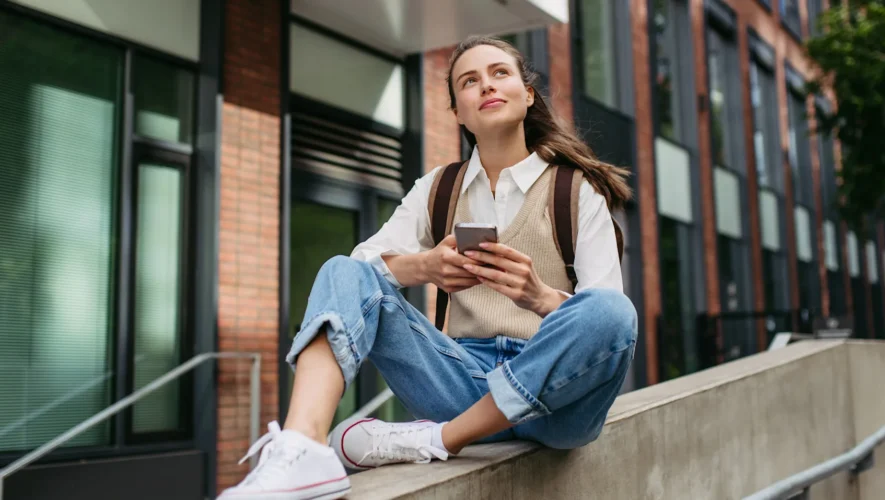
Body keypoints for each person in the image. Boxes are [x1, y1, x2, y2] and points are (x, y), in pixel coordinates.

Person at [219, 35, 637, 500]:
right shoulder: (438, 188)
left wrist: (538, 296)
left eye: (500, 73)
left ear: (528, 93)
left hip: (558, 402)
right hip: (461, 381)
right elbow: (363, 268)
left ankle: (437, 440)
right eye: (469, 81)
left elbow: (610, 327)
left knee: (613, 311)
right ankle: (303, 447)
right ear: (457, 111)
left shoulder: (576, 191)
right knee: (342, 269)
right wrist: (426, 267)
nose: (486, 86)